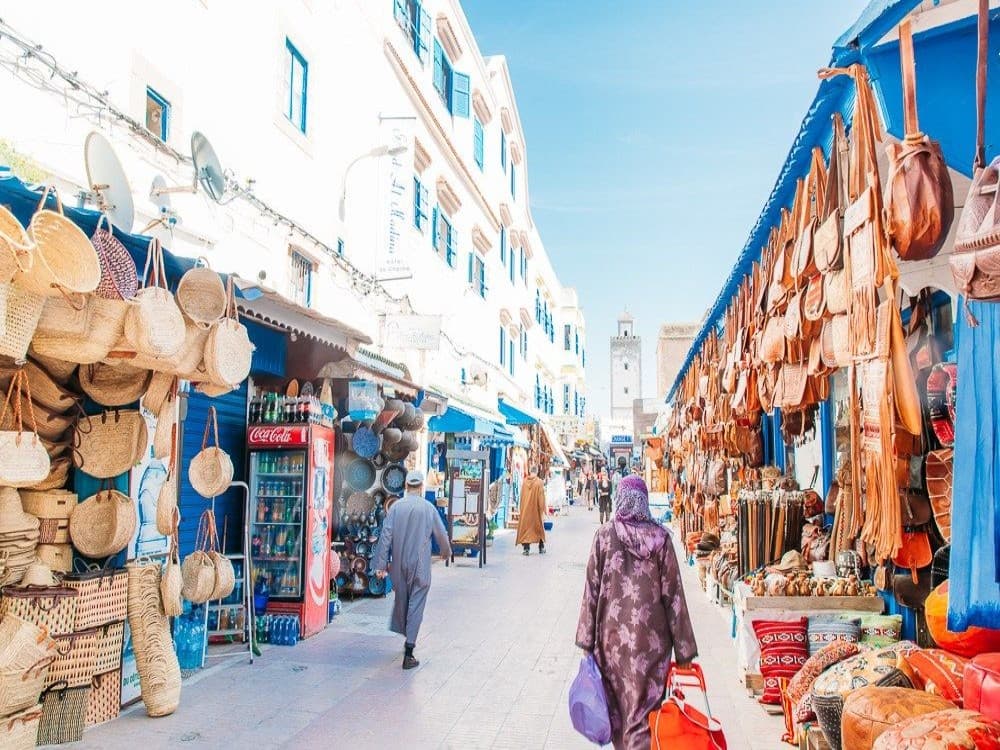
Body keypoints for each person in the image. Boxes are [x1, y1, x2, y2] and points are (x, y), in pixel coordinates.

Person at [576, 475, 697, 750]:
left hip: (611, 645)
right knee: (644, 715)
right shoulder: (661, 539)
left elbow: (590, 591)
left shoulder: (604, 537)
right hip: (651, 645)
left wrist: (586, 642)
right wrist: (684, 652)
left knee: (618, 713)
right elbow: (674, 597)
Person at [373, 470, 451, 670]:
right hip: (420, 566)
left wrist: (381, 565)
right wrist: (446, 551)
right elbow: (440, 532)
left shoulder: (397, 508)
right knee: (416, 604)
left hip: (398, 565)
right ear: (421, 487)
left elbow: (386, 536)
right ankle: (409, 651)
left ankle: (406, 634)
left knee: (403, 600)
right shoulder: (428, 508)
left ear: (406, 487)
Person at [516, 465, 546, 555]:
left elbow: (522, 497)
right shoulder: (539, 482)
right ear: (536, 472)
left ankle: (526, 549)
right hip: (535, 511)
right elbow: (541, 498)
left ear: (530, 471)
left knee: (526, 529)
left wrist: (521, 509)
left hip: (526, 510)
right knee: (539, 528)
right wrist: (542, 510)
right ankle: (541, 547)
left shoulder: (525, 482)